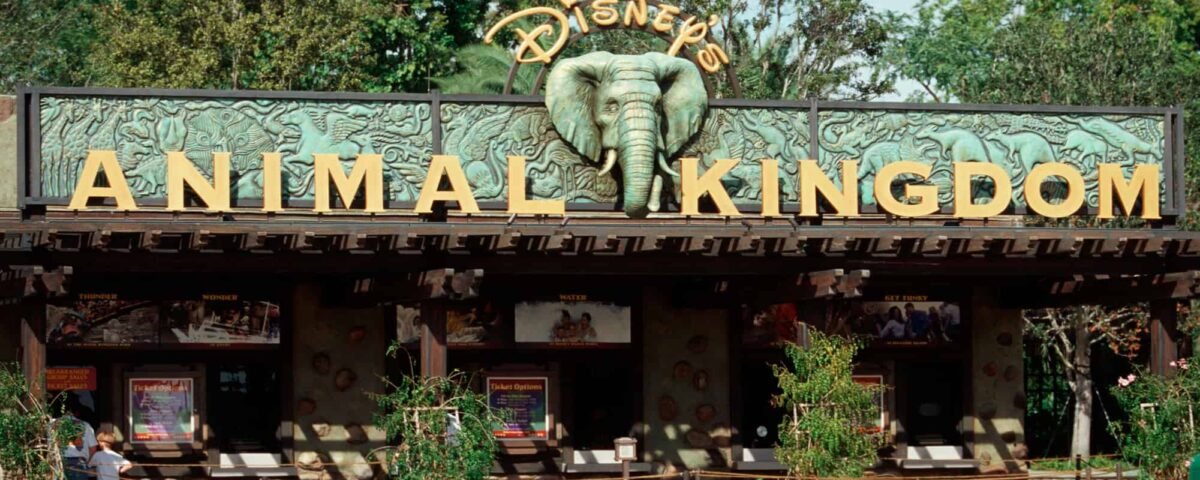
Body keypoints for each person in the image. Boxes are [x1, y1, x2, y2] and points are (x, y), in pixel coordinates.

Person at [54, 396, 98, 480]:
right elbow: (93, 448)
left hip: (59, 462)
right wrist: (87, 462)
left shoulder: (53, 425)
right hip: (79, 462)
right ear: (76, 412)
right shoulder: (85, 425)